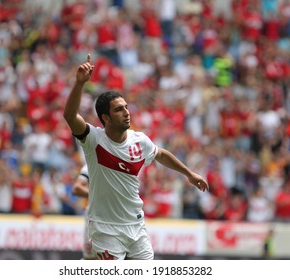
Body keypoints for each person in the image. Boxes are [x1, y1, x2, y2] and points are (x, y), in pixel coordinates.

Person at [63, 54, 209, 260]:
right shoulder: (93, 139)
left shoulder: (139, 140)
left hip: (136, 226)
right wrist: (79, 84)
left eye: (126, 107)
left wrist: (189, 174)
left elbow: (161, 154)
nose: (126, 112)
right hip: (106, 230)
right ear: (106, 118)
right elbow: (70, 116)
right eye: (119, 109)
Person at [72, 164, 96, 260]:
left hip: (117, 217)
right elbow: (77, 188)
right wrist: (99, 196)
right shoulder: (89, 166)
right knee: (90, 258)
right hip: (94, 217)